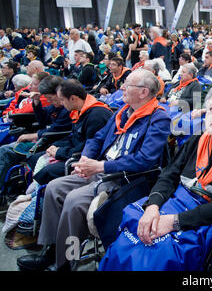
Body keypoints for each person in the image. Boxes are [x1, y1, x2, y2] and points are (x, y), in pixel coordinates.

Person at [17, 69, 171, 271]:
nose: (122, 88)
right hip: (101, 169)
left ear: (143, 92)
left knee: (73, 201)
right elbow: (96, 138)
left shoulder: (159, 118)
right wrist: (85, 159)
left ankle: (64, 261)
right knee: (54, 188)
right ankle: (51, 250)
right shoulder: (123, 111)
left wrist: (100, 166)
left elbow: (145, 160)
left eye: (128, 85)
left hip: (126, 178)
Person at [99, 83, 212, 271]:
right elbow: (169, 176)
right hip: (174, 204)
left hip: (205, 220)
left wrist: (174, 222)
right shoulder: (197, 139)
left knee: (156, 254)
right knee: (130, 234)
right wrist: (152, 207)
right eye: (211, 108)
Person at [29, 79, 113, 188]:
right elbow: (74, 137)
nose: (61, 103)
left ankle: (35, 198)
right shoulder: (79, 110)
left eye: (62, 100)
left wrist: (59, 152)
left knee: (49, 171)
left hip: (85, 158)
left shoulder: (97, 115)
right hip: (74, 151)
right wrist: (56, 146)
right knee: (37, 157)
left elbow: (90, 148)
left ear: (73, 98)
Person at [0, 75, 72, 192]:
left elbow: (56, 130)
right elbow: (43, 120)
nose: (48, 101)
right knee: (6, 148)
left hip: (52, 142)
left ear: (58, 94)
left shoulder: (66, 109)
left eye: (50, 98)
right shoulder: (55, 105)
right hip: (46, 138)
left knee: (5, 151)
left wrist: (34, 135)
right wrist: (37, 101)